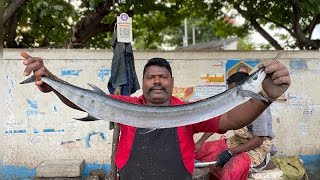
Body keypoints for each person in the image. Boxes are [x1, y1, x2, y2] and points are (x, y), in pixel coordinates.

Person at [20, 51, 291, 180]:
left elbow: (233, 120)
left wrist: (266, 95)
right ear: (144, 82)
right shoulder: (125, 104)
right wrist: (50, 80)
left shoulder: (189, 110)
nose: (157, 82)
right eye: (151, 77)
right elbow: (86, 103)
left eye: (163, 77)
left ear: (172, 81)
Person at [194, 72, 276, 180]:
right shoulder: (234, 102)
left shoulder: (258, 108)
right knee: (199, 151)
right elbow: (217, 123)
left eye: (233, 91)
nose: (231, 94)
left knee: (231, 170)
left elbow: (258, 140)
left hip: (256, 146)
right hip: (237, 141)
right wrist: (200, 142)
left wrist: (230, 152)